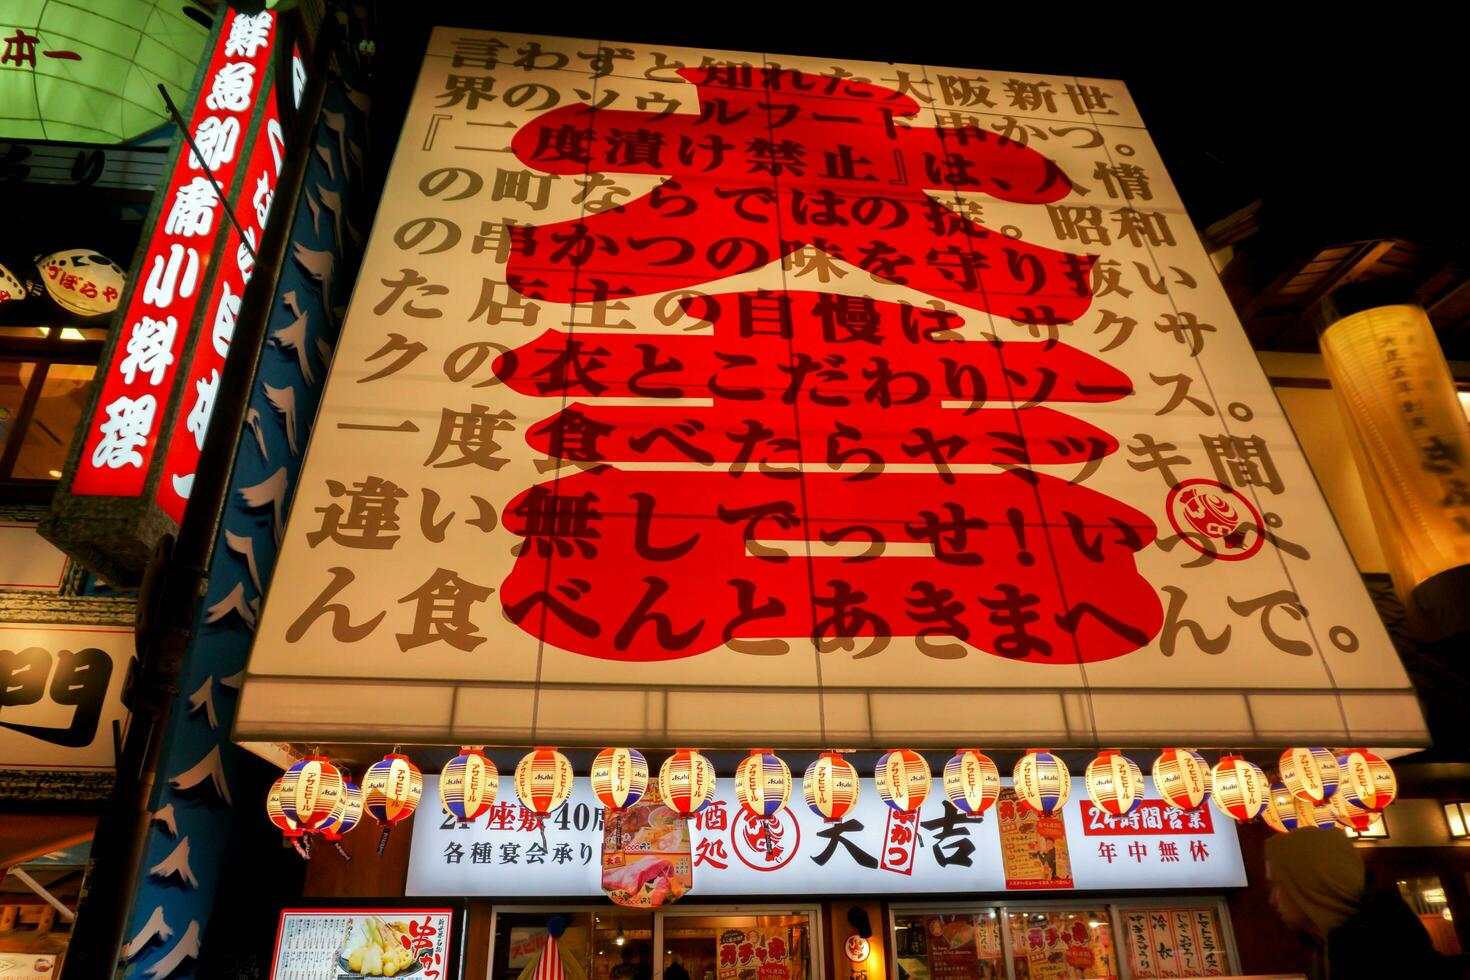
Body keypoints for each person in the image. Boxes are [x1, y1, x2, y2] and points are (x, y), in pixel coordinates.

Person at [1265, 826, 1461, 979]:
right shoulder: (1325, 949)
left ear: (1309, 886)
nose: (1272, 899)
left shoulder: (1375, 955)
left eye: (1278, 885)